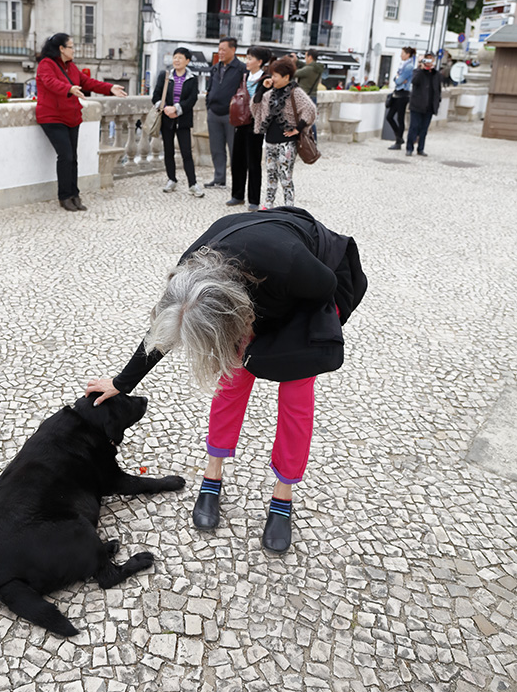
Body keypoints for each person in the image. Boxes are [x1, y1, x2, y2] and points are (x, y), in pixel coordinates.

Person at [86, 206, 367, 553]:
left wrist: (280, 344)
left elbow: (328, 287)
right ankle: (213, 475)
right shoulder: (190, 274)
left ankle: (283, 495)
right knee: (232, 380)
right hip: (248, 291)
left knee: (296, 395)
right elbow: (165, 330)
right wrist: (122, 382)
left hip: (305, 293)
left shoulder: (291, 263)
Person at [36, 33, 127, 211]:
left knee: (73, 159)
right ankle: (64, 197)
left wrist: (110, 88)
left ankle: (74, 194)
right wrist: (69, 88)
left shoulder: (71, 67)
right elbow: (50, 82)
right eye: (71, 46)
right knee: (66, 156)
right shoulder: (46, 64)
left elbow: (88, 82)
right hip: (52, 117)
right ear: (61, 48)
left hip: (71, 117)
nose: (74, 49)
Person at [251, 57, 316, 208]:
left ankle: (289, 207)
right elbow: (256, 109)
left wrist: (297, 129)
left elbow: (310, 109)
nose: (272, 78)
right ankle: (268, 205)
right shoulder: (269, 94)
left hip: (286, 143)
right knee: (271, 175)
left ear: (286, 77)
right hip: (270, 141)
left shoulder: (296, 92)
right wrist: (262, 88)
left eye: (275, 75)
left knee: (285, 177)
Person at [152, 47, 204, 198]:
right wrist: (165, 109)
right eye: (175, 57)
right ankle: (171, 179)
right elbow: (155, 96)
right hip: (166, 119)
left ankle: (193, 184)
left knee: (187, 153)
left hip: (183, 120)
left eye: (180, 58)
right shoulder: (165, 76)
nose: (177, 60)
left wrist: (177, 109)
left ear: (187, 61)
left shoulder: (192, 78)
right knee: (168, 151)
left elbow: (192, 99)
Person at [226, 45, 271, 212]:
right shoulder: (243, 77)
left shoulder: (266, 80)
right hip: (240, 121)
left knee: (253, 162)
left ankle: (254, 199)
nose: (248, 61)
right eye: (247, 57)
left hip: (255, 124)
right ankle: (237, 195)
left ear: (259, 62)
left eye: (251, 58)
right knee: (237, 160)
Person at [204, 36, 244, 188]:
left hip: (232, 115)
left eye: (223, 49)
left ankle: (237, 182)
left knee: (235, 150)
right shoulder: (215, 68)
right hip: (213, 113)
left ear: (233, 50)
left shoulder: (241, 69)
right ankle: (219, 178)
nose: (220, 52)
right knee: (216, 149)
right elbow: (210, 89)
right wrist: (208, 105)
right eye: (219, 49)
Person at [406, 51, 441, 157]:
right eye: (427, 59)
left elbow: (438, 90)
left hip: (429, 106)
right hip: (417, 105)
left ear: (434, 61)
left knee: (424, 129)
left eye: (431, 59)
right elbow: (414, 81)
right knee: (414, 127)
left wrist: (437, 102)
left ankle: (420, 148)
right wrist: (421, 68)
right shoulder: (417, 71)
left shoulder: (436, 74)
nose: (428, 62)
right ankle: (409, 148)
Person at [386, 46, 416, 150]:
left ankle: (398, 141)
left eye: (402, 53)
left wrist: (398, 78)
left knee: (400, 118)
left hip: (403, 94)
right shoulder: (403, 65)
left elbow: (398, 80)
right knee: (389, 116)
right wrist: (397, 78)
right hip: (397, 93)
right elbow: (397, 78)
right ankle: (399, 138)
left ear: (408, 55)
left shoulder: (408, 66)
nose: (401, 55)